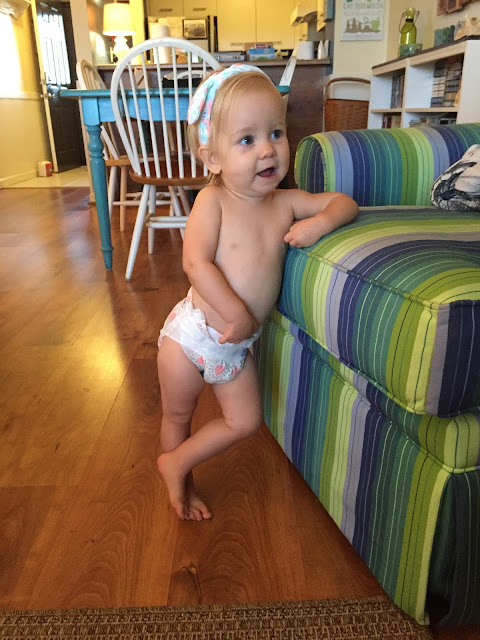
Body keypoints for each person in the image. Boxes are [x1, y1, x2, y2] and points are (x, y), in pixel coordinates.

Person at [157, 64, 359, 521]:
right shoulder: (213, 201)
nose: (267, 149)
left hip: (233, 348)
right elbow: (195, 263)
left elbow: (343, 203)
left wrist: (320, 223)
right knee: (177, 416)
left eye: (276, 133)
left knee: (246, 421)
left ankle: (176, 462)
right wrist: (236, 314)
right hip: (190, 337)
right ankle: (182, 486)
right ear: (213, 158)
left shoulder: (285, 202)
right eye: (247, 140)